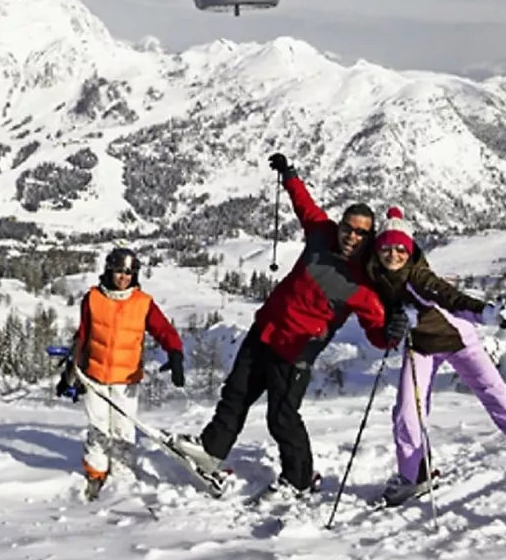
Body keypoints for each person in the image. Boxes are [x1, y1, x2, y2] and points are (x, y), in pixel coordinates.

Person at [172, 153, 403, 497]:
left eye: (360, 233)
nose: (351, 236)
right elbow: (304, 204)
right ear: (339, 226)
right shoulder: (321, 234)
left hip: (295, 351)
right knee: (234, 395)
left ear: (369, 238)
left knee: (281, 417)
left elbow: (377, 332)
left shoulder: (364, 287)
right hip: (264, 330)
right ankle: (211, 450)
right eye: (347, 228)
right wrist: (289, 174)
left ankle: (299, 479)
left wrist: (391, 333)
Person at [367, 206, 506, 515]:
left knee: (503, 406)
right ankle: (413, 475)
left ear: (410, 250)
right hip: (420, 346)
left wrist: (488, 313)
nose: (393, 254)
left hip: (460, 342)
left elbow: (452, 298)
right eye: (386, 248)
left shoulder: (420, 276)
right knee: (407, 412)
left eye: (400, 248)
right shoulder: (376, 276)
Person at [56, 247, 187, 500]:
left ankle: (123, 476)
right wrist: (70, 373)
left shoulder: (143, 303)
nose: (123, 277)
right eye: (119, 271)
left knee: (123, 429)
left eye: (129, 272)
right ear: (109, 270)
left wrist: (175, 353)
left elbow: (164, 330)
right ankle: (96, 472)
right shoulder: (93, 298)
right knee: (98, 428)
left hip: (126, 378)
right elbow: (83, 336)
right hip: (94, 375)